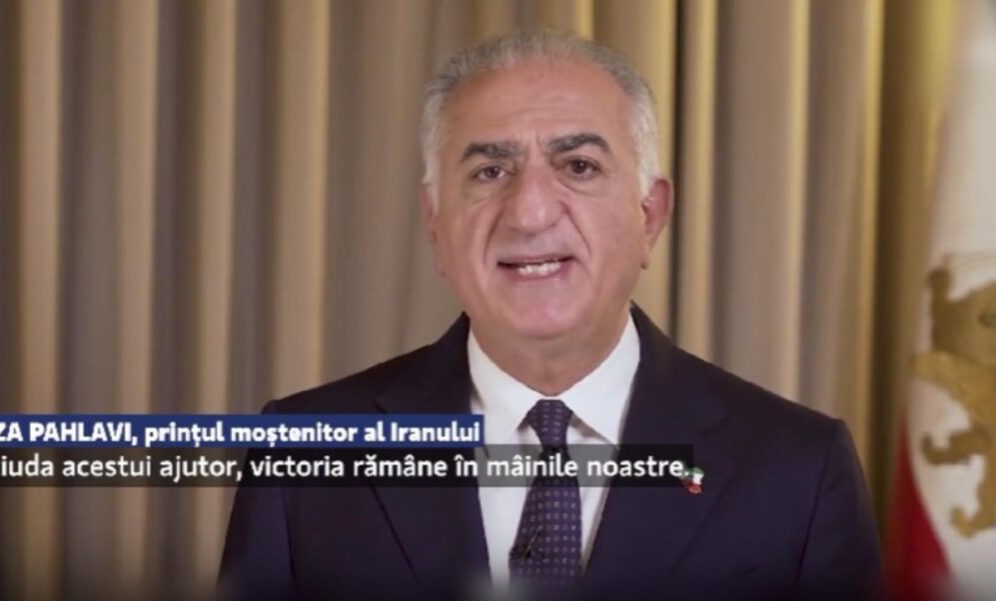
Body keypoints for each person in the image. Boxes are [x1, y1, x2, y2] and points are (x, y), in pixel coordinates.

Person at [220, 30, 882, 600]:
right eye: (489, 172)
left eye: (579, 166)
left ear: (650, 216)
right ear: (435, 222)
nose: (530, 212)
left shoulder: (799, 470)